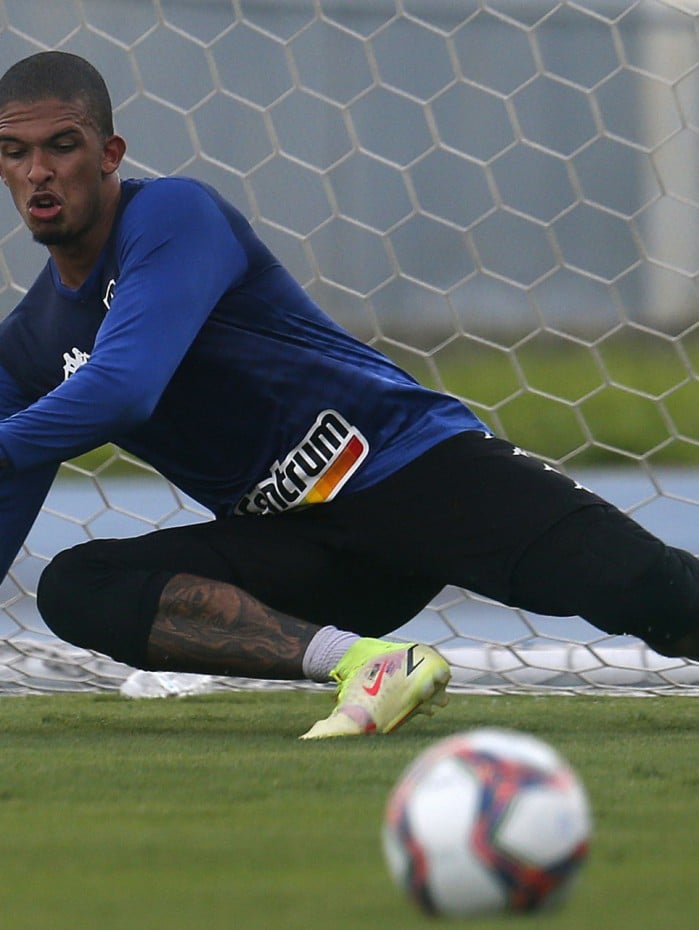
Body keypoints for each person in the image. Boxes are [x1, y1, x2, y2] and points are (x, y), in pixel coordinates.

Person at [0, 51, 696, 739]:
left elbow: (124, 389)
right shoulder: (28, 344)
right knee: (77, 586)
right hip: (303, 550)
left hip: (414, 473)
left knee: (646, 591)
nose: (38, 172)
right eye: (14, 152)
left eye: (62, 145)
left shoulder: (172, 215)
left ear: (109, 153)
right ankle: (362, 665)